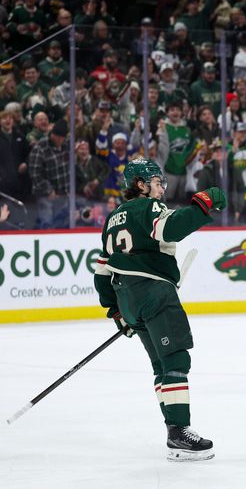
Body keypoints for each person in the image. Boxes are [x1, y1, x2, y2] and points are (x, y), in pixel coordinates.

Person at [93, 159, 227, 461]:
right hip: (154, 292)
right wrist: (202, 204)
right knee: (176, 357)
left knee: (160, 365)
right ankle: (178, 432)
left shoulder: (112, 217)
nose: (162, 187)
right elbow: (172, 228)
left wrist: (116, 312)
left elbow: (101, 271)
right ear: (140, 185)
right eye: (156, 181)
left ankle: (173, 430)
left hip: (127, 296)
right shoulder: (147, 207)